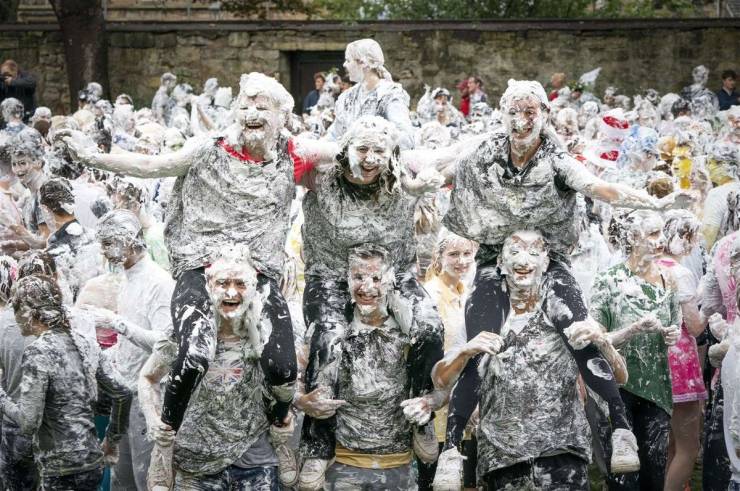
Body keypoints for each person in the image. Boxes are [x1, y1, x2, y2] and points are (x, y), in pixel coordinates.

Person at [409, 79, 687, 485]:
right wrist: (421, 182)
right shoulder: (486, 148)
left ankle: (621, 425)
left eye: (530, 113)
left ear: (544, 115)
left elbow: (597, 186)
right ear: (503, 114)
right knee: (480, 340)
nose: (521, 121)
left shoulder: (555, 157)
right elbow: (445, 164)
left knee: (577, 328)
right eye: (514, 113)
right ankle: (452, 447)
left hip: (548, 256)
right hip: (495, 255)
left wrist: (650, 200)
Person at [61, 72, 309, 445]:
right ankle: (167, 440)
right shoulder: (209, 147)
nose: (251, 112)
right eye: (245, 105)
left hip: (257, 269)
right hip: (202, 264)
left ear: (281, 115)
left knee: (282, 367)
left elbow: (343, 152)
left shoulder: (291, 153)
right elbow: (151, 166)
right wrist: (92, 156)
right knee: (193, 354)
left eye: (262, 106)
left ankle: (279, 423)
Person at [295, 115, 444, 490]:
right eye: (362, 149)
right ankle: (318, 441)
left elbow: (450, 160)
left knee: (428, 325)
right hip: (329, 274)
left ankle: (419, 415)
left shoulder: (401, 179)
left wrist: (423, 180)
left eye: (379, 150)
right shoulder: (323, 174)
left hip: (392, 275)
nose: (371, 158)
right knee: (326, 335)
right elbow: (280, 158)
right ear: (347, 150)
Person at [432, 230, 625, 489]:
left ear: (546, 262)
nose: (524, 261)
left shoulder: (566, 314)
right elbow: (440, 379)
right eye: (514, 253)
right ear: (500, 262)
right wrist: (465, 351)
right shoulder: (481, 316)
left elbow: (620, 377)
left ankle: (624, 431)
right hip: (502, 456)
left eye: (534, 253)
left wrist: (604, 342)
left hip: (561, 453)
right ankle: (451, 450)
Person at [139, 245, 293, 490]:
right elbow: (148, 378)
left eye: (241, 284)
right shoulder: (186, 333)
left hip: (255, 459)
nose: (231, 292)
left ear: (254, 288)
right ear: (209, 286)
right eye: (223, 283)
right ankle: (162, 454)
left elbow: (290, 381)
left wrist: (289, 413)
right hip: (196, 461)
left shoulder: (267, 335)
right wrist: (153, 419)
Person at [321, 244, 444, 491]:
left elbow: (443, 389)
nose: (367, 287)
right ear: (347, 280)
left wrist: (428, 403)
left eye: (376, 278)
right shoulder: (334, 332)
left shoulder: (410, 334)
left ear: (390, 282)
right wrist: (303, 401)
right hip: (345, 466)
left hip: (400, 466)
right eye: (358, 277)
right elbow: (302, 388)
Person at [0, 273, 132, 490]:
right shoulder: (85, 342)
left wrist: (2, 398)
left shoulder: (38, 352)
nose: (15, 318)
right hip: (91, 463)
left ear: (31, 313)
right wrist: (112, 439)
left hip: (60, 470)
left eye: (16, 310)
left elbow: (28, 423)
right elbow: (122, 391)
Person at [82, 209, 175, 491]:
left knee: (147, 480)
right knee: (122, 482)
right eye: (103, 244)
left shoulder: (159, 283)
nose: (105, 252)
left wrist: (116, 323)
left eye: (109, 243)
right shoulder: (127, 278)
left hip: (150, 399)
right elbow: (130, 344)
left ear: (131, 240)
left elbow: (165, 344)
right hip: (124, 396)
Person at [590, 210, 681, 490]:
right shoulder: (609, 280)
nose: (661, 240)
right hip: (618, 390)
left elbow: (673, 326)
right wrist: (632, 330)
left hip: (657, 389)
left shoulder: (669, 279)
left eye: (661, 232)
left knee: (654, 473)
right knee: (623, 478)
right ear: (632, 237)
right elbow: (597, 339)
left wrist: (671, 334)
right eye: (653, 233)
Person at [656, 210, 708, 491]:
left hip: (654, 359)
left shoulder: (648, 266)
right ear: (685, 238)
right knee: (688, 446)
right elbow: (696, 326)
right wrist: (710, 309)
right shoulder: (681, 273)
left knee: (666, 442)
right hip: (680, 362)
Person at [326, 39, 414, 149]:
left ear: (363, 63)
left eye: (348, 60)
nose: (345, 65)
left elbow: (406, 139)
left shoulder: (389, 94)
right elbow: (334, 135)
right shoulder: (347, 97)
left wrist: (372, 140)